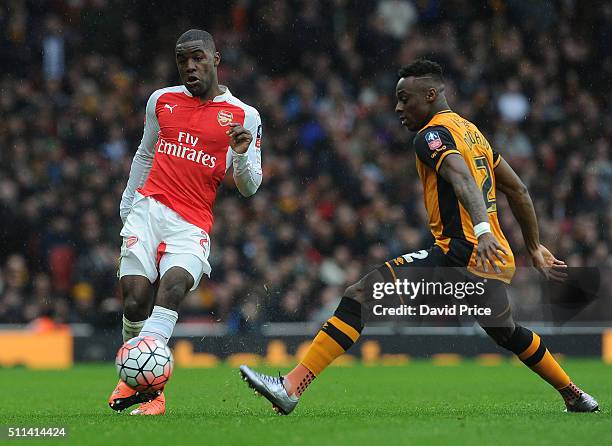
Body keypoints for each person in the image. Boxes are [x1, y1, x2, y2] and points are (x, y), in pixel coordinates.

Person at [239, 59, 598, 415]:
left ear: (430, 95)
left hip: (462, 253)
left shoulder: (432, 136)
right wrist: (532, 246)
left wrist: (483, 231)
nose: (398, 108)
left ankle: (291, 386)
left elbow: (462, 180)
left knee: (360, 295)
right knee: (505, 331)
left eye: (404, 98)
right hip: (493, 260)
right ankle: (574, 394)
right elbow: (518, 190)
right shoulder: (473, 133)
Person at [108, 29, 263, 415]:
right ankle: (136, 380)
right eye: (182, 59)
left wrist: (242, 155)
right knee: (134, 298)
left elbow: (249, 187)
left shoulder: (245, 115)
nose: (189, 66)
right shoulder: (161, 101)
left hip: (191, 222)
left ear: (216, 58)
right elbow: (144, 155)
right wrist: (128, 207)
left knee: (173, 286)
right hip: (148, 209)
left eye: (197, 57)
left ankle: (149, 388)